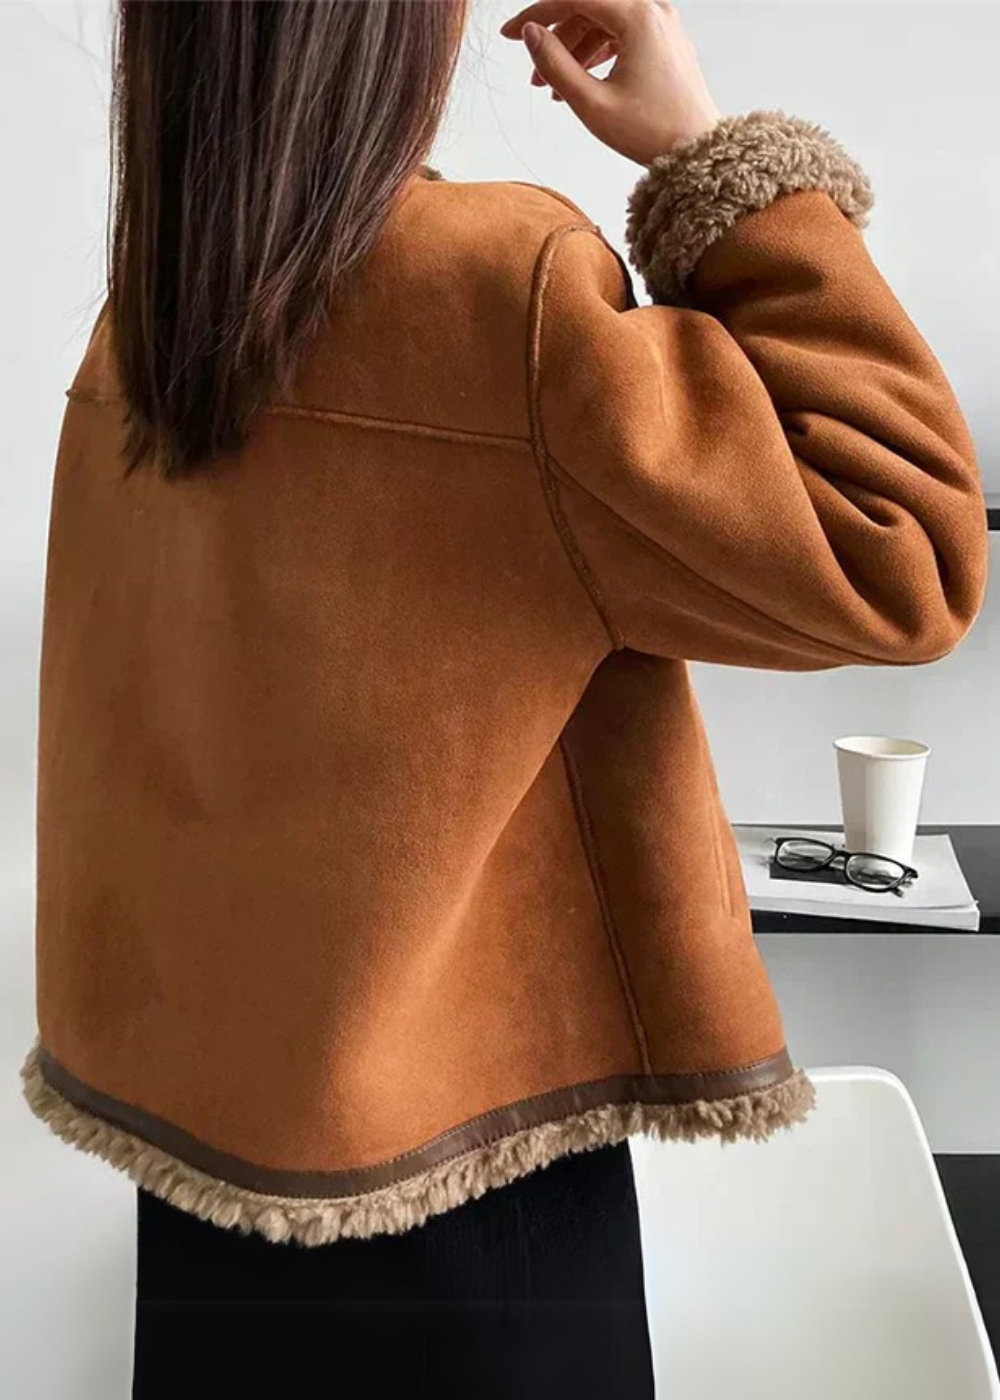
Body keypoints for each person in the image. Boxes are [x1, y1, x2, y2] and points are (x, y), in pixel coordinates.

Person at [23, 1, 987, 1396]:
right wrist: (715, 161)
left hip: (207, 1193)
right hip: (473, 1206)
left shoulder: (149, 322)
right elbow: (904, 553)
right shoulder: (500, 295)